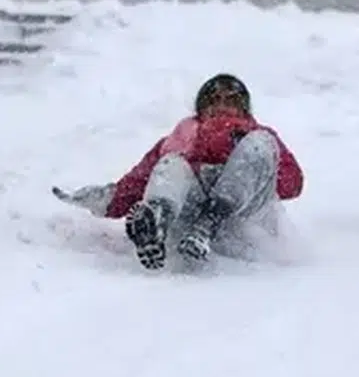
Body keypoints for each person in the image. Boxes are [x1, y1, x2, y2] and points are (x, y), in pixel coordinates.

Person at [52, 73, 305, 269]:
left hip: (242, 216)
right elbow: (138, 182)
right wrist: (104, 199)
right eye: (214, 101)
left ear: (244, 109)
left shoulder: (258, 136)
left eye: (231, 101)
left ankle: (211, 220)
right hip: (189, 217)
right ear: (201, 109)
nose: (222, 106)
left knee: (261, 145)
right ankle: (158, 221)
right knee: (170, 163)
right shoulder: (181, 137)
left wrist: (247, 161)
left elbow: (292, 184)